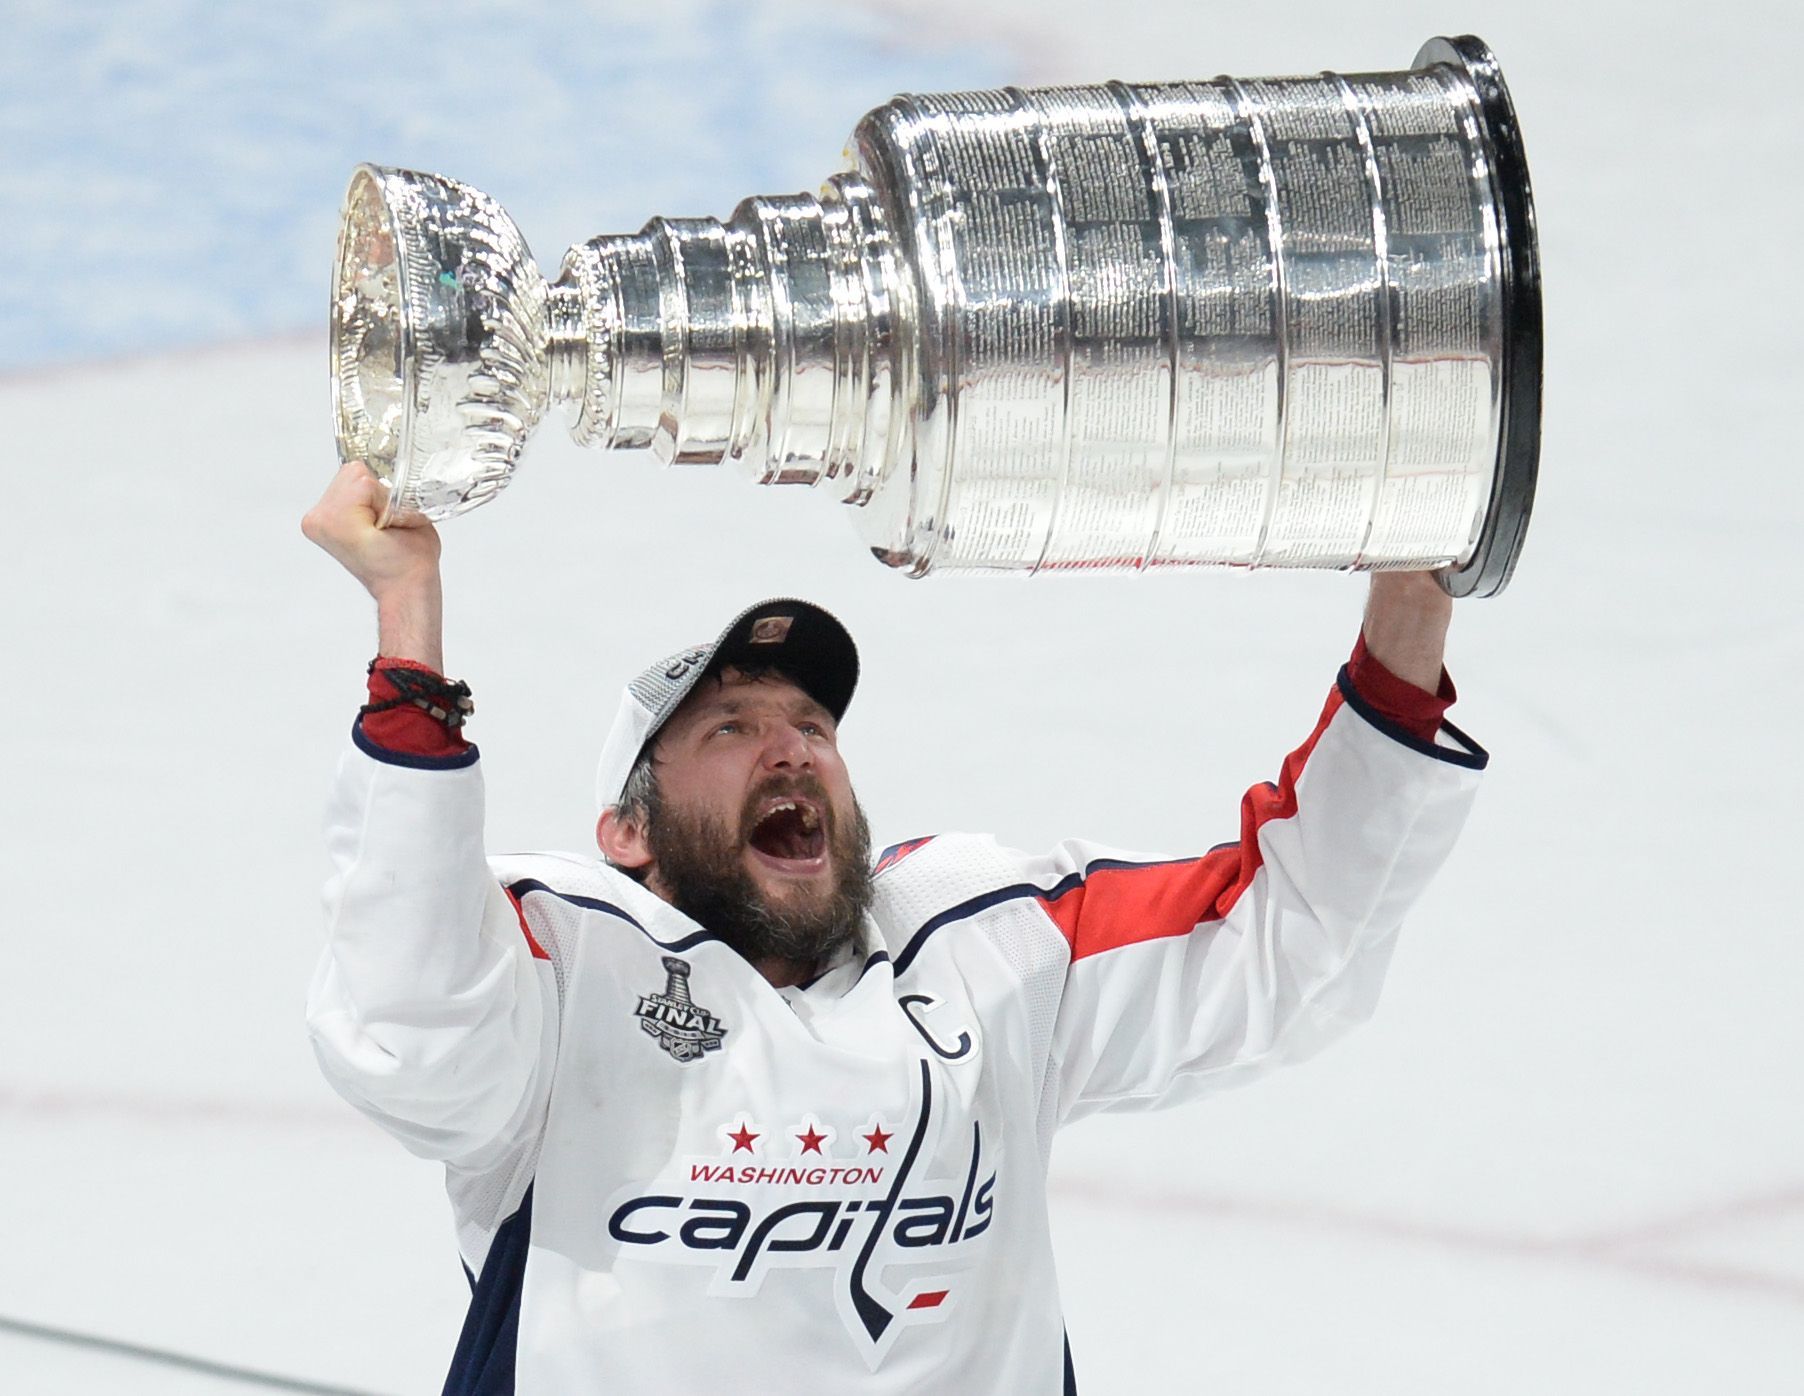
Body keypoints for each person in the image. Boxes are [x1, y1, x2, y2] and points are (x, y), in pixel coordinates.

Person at [302, 459, 1487, 1393]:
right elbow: (409, 1024)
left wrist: (1412, 588)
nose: (790, 746)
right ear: (630, 832)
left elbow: (1288, 936)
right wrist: (408, 619)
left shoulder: (984, 949)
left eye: (812, 721)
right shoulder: (567, 974)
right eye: (729, 729)